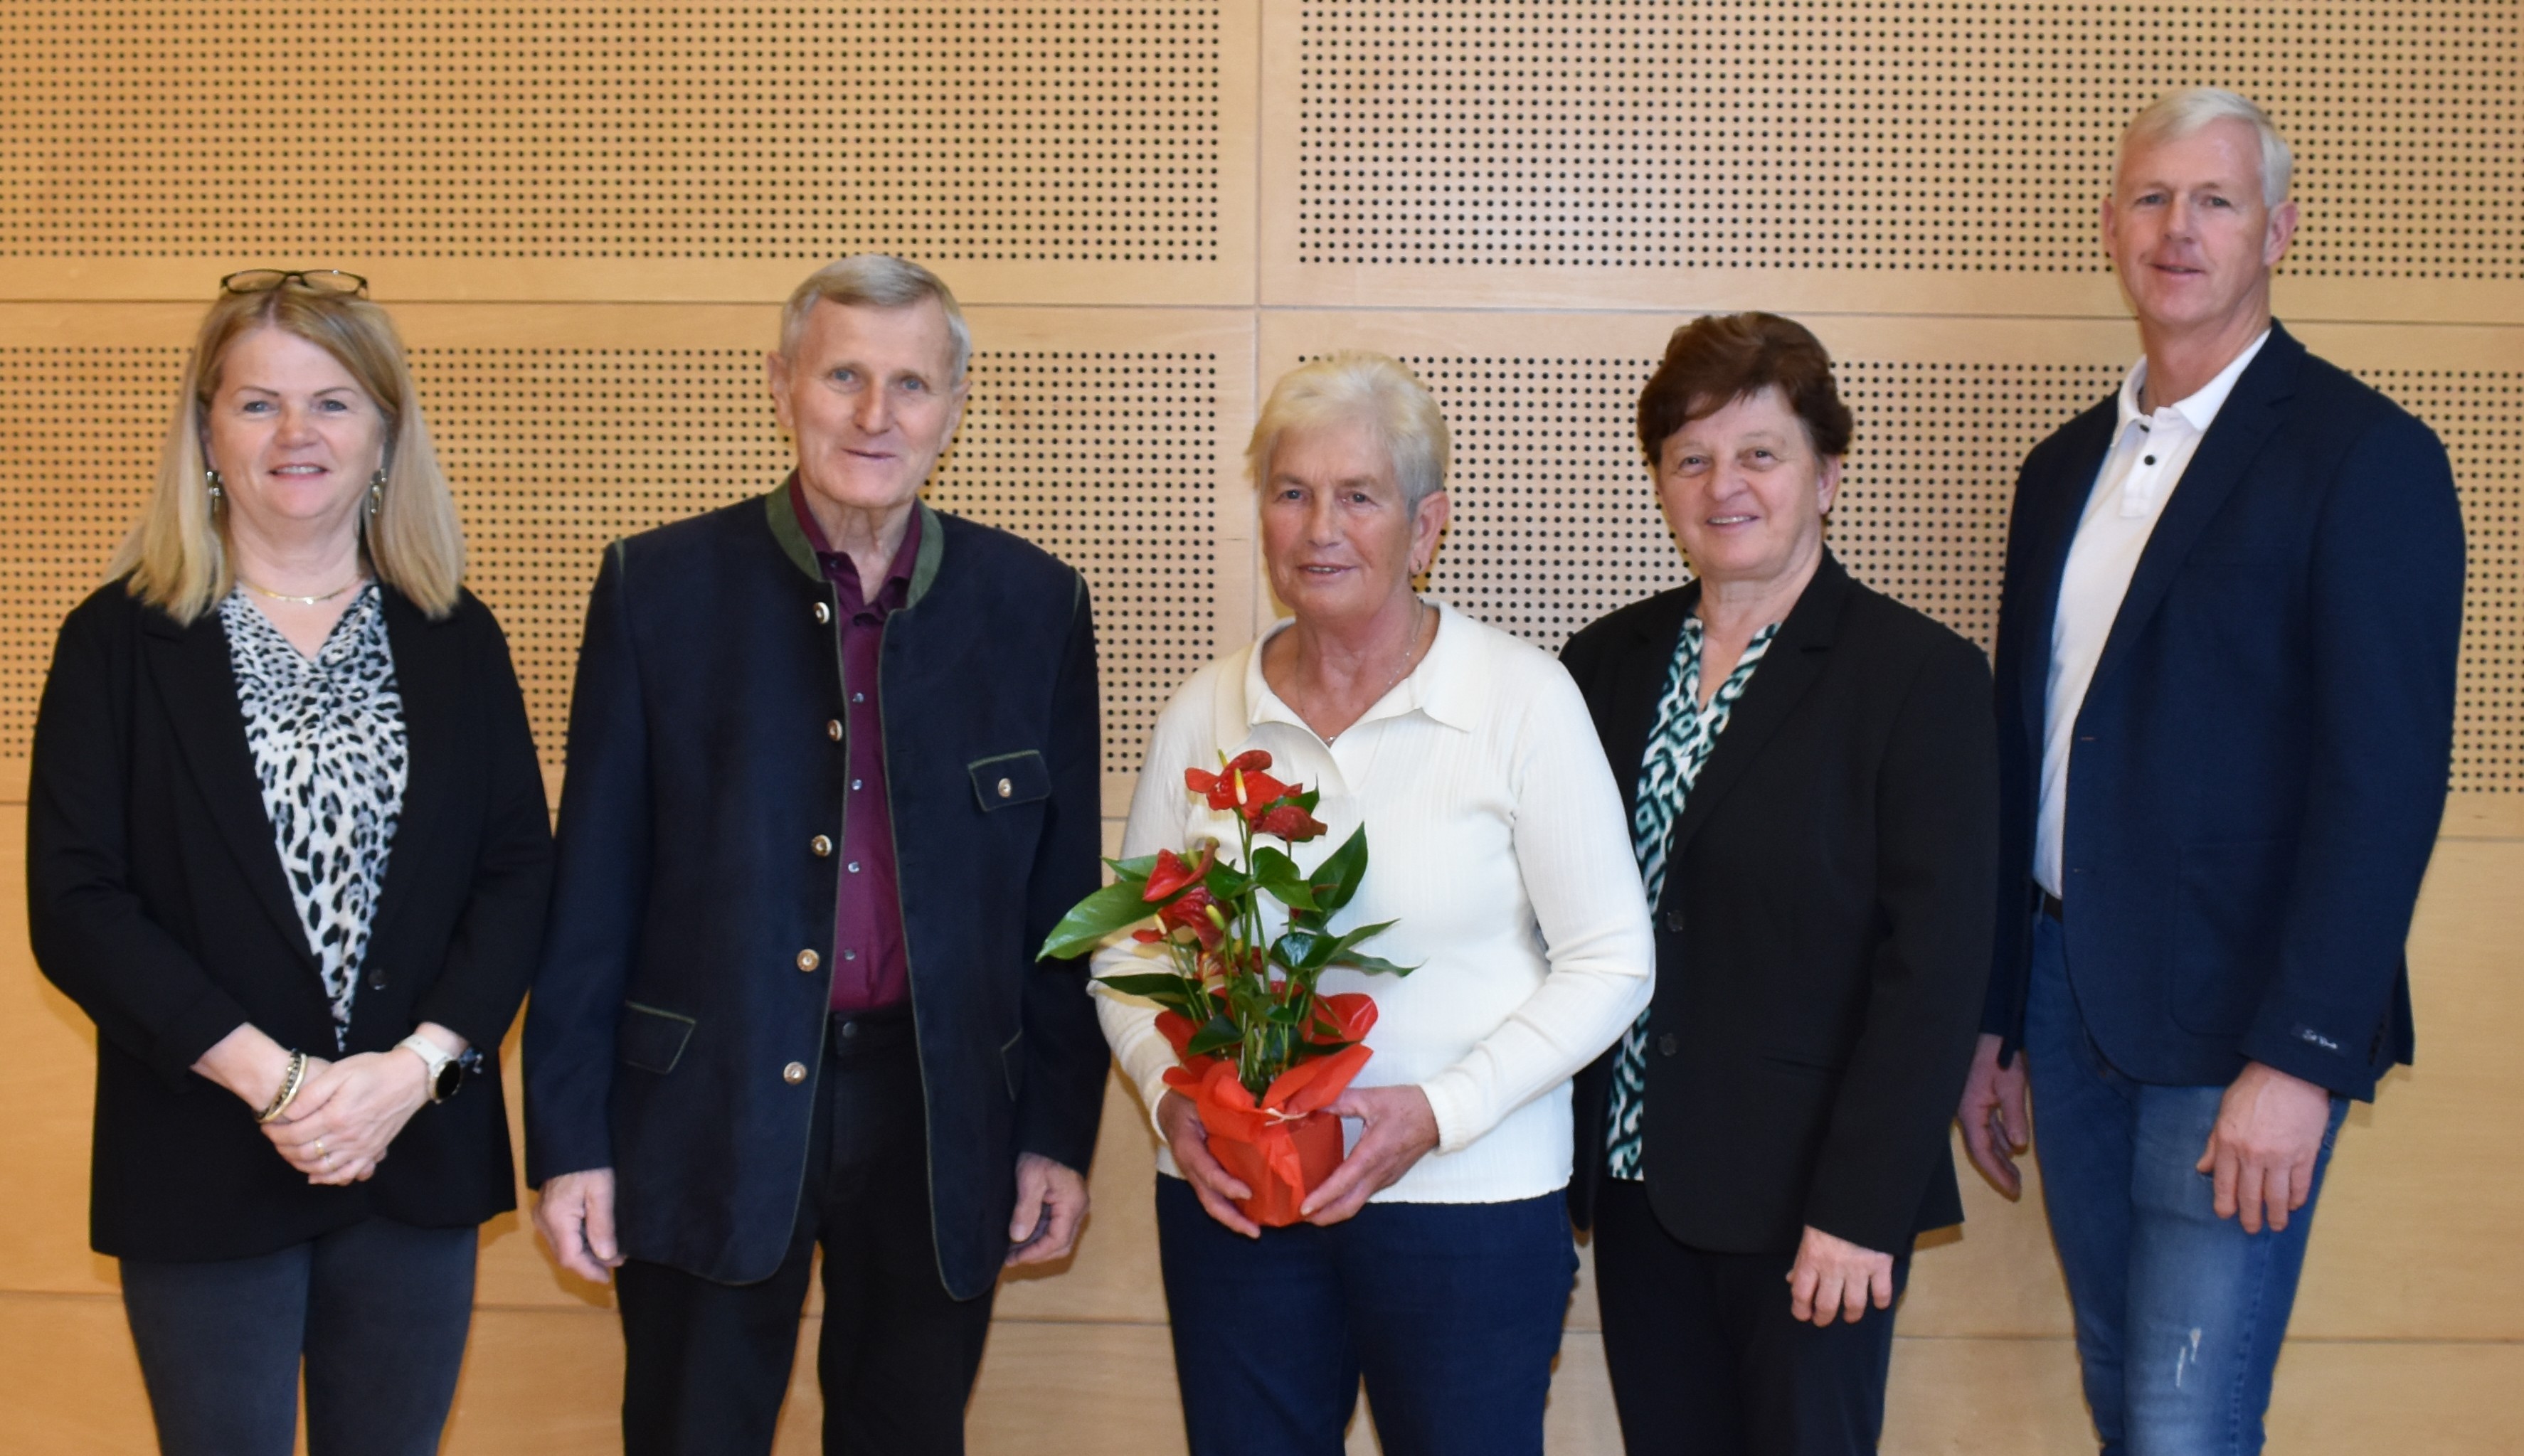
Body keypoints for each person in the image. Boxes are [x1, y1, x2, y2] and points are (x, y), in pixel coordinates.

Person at [522, 253, 1109, 1456]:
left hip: (942, 1116)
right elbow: (592, 889)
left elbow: (1061, 914)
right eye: (844, 376)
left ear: (954, 407)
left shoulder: (1035, 605)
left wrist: (1056, 1130)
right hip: (706, 1107)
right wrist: (571, 1142)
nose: (875, 415)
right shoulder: (656, 588)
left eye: (912, 384)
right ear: (782, 383)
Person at [1955, 90, 2466, 1456]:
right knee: (2123, 1396)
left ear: (2276, 233)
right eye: (2151, 198)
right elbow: (2026, 752)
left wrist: (2299, 1060)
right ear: (2112, 227)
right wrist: (1996, 1020)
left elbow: (2384, 787)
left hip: (2241, 1028)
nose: (2177, 229)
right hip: (2065, 998)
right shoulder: (2060, 471)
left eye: (2216, 201)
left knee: (2186, 1424)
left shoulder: (2367, 459)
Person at [26, 270, 551, 1456]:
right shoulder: (118, 640)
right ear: (207, 431)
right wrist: (281, 1086)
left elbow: (517, 871)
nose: (296, 434)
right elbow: (76, 902)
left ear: (384, 434)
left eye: (333, 402)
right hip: (203, 1148)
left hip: (410, 1145)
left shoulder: (456, 635)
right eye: (258, 403)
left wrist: (413, 1073)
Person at [1095, 352, 1655, 1456]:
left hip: (1469, 1206)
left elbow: (1612, 960)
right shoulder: (1205, 709)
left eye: (1359, 496)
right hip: (1237, 1204)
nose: (1320, 529)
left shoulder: (1523, 699)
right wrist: (1169, 1098)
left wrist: (1439, 1111)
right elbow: (1130, 951)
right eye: (1291, 492)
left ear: (1426, 526)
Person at [1557, 312, 1998, 1455]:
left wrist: (1861, 1210)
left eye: (1761, 453)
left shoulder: (1919, 678)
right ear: (1660, 482)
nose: (1725, 486)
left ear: (1827, 475)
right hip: (1635, 1180)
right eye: (1691, 458)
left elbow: (1935, 970)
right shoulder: (1600, 665)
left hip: (1813, 1203)